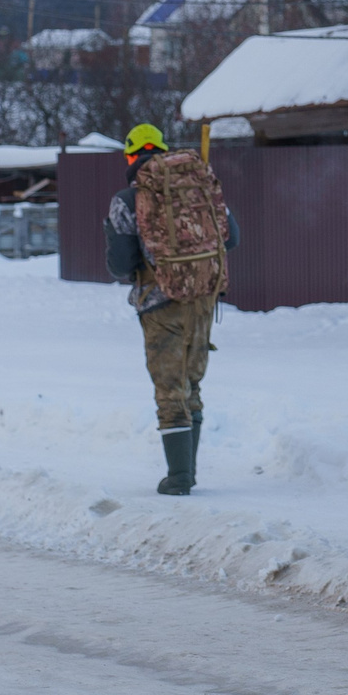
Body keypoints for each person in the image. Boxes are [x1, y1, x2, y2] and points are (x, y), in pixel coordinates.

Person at [103, 123, 238, 495]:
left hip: (161, 303)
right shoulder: (198, 185)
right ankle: (188, 471)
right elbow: (232, 237)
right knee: (192, 380)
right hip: (204, 297)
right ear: (162, 149)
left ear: (131, 155)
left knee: (169, 386)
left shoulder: (128, 199)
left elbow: (119, 263)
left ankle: (179, 478)